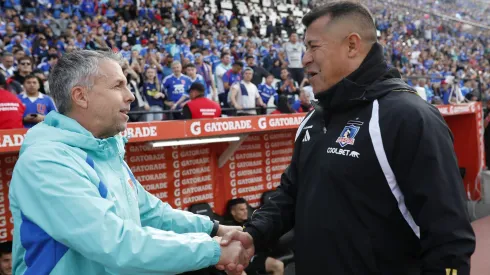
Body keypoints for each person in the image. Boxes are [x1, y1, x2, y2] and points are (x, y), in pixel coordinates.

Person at [219, 2, 475, 275]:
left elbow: (450, 237)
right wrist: (253, 235)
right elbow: (290, 194)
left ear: (352, 45)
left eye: (313, 46)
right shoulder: (313, 120)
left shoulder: (407, 117)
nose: (304, 59)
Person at [9, 50, 251, 275]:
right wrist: (213, 249)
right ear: (81, 96)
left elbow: (151, 213)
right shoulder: (46, 161)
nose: (131, 95)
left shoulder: (103, 149)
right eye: (118, 86)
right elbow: (114, 242)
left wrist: (214, 229)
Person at [223, 199, 284, 275]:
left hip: (254, 257)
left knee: (278, 265)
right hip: (238, 261)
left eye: (246, 209)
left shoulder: (251, 222)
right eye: (241, 209)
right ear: (233, 212)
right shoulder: (227, 227)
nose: (245, 211)